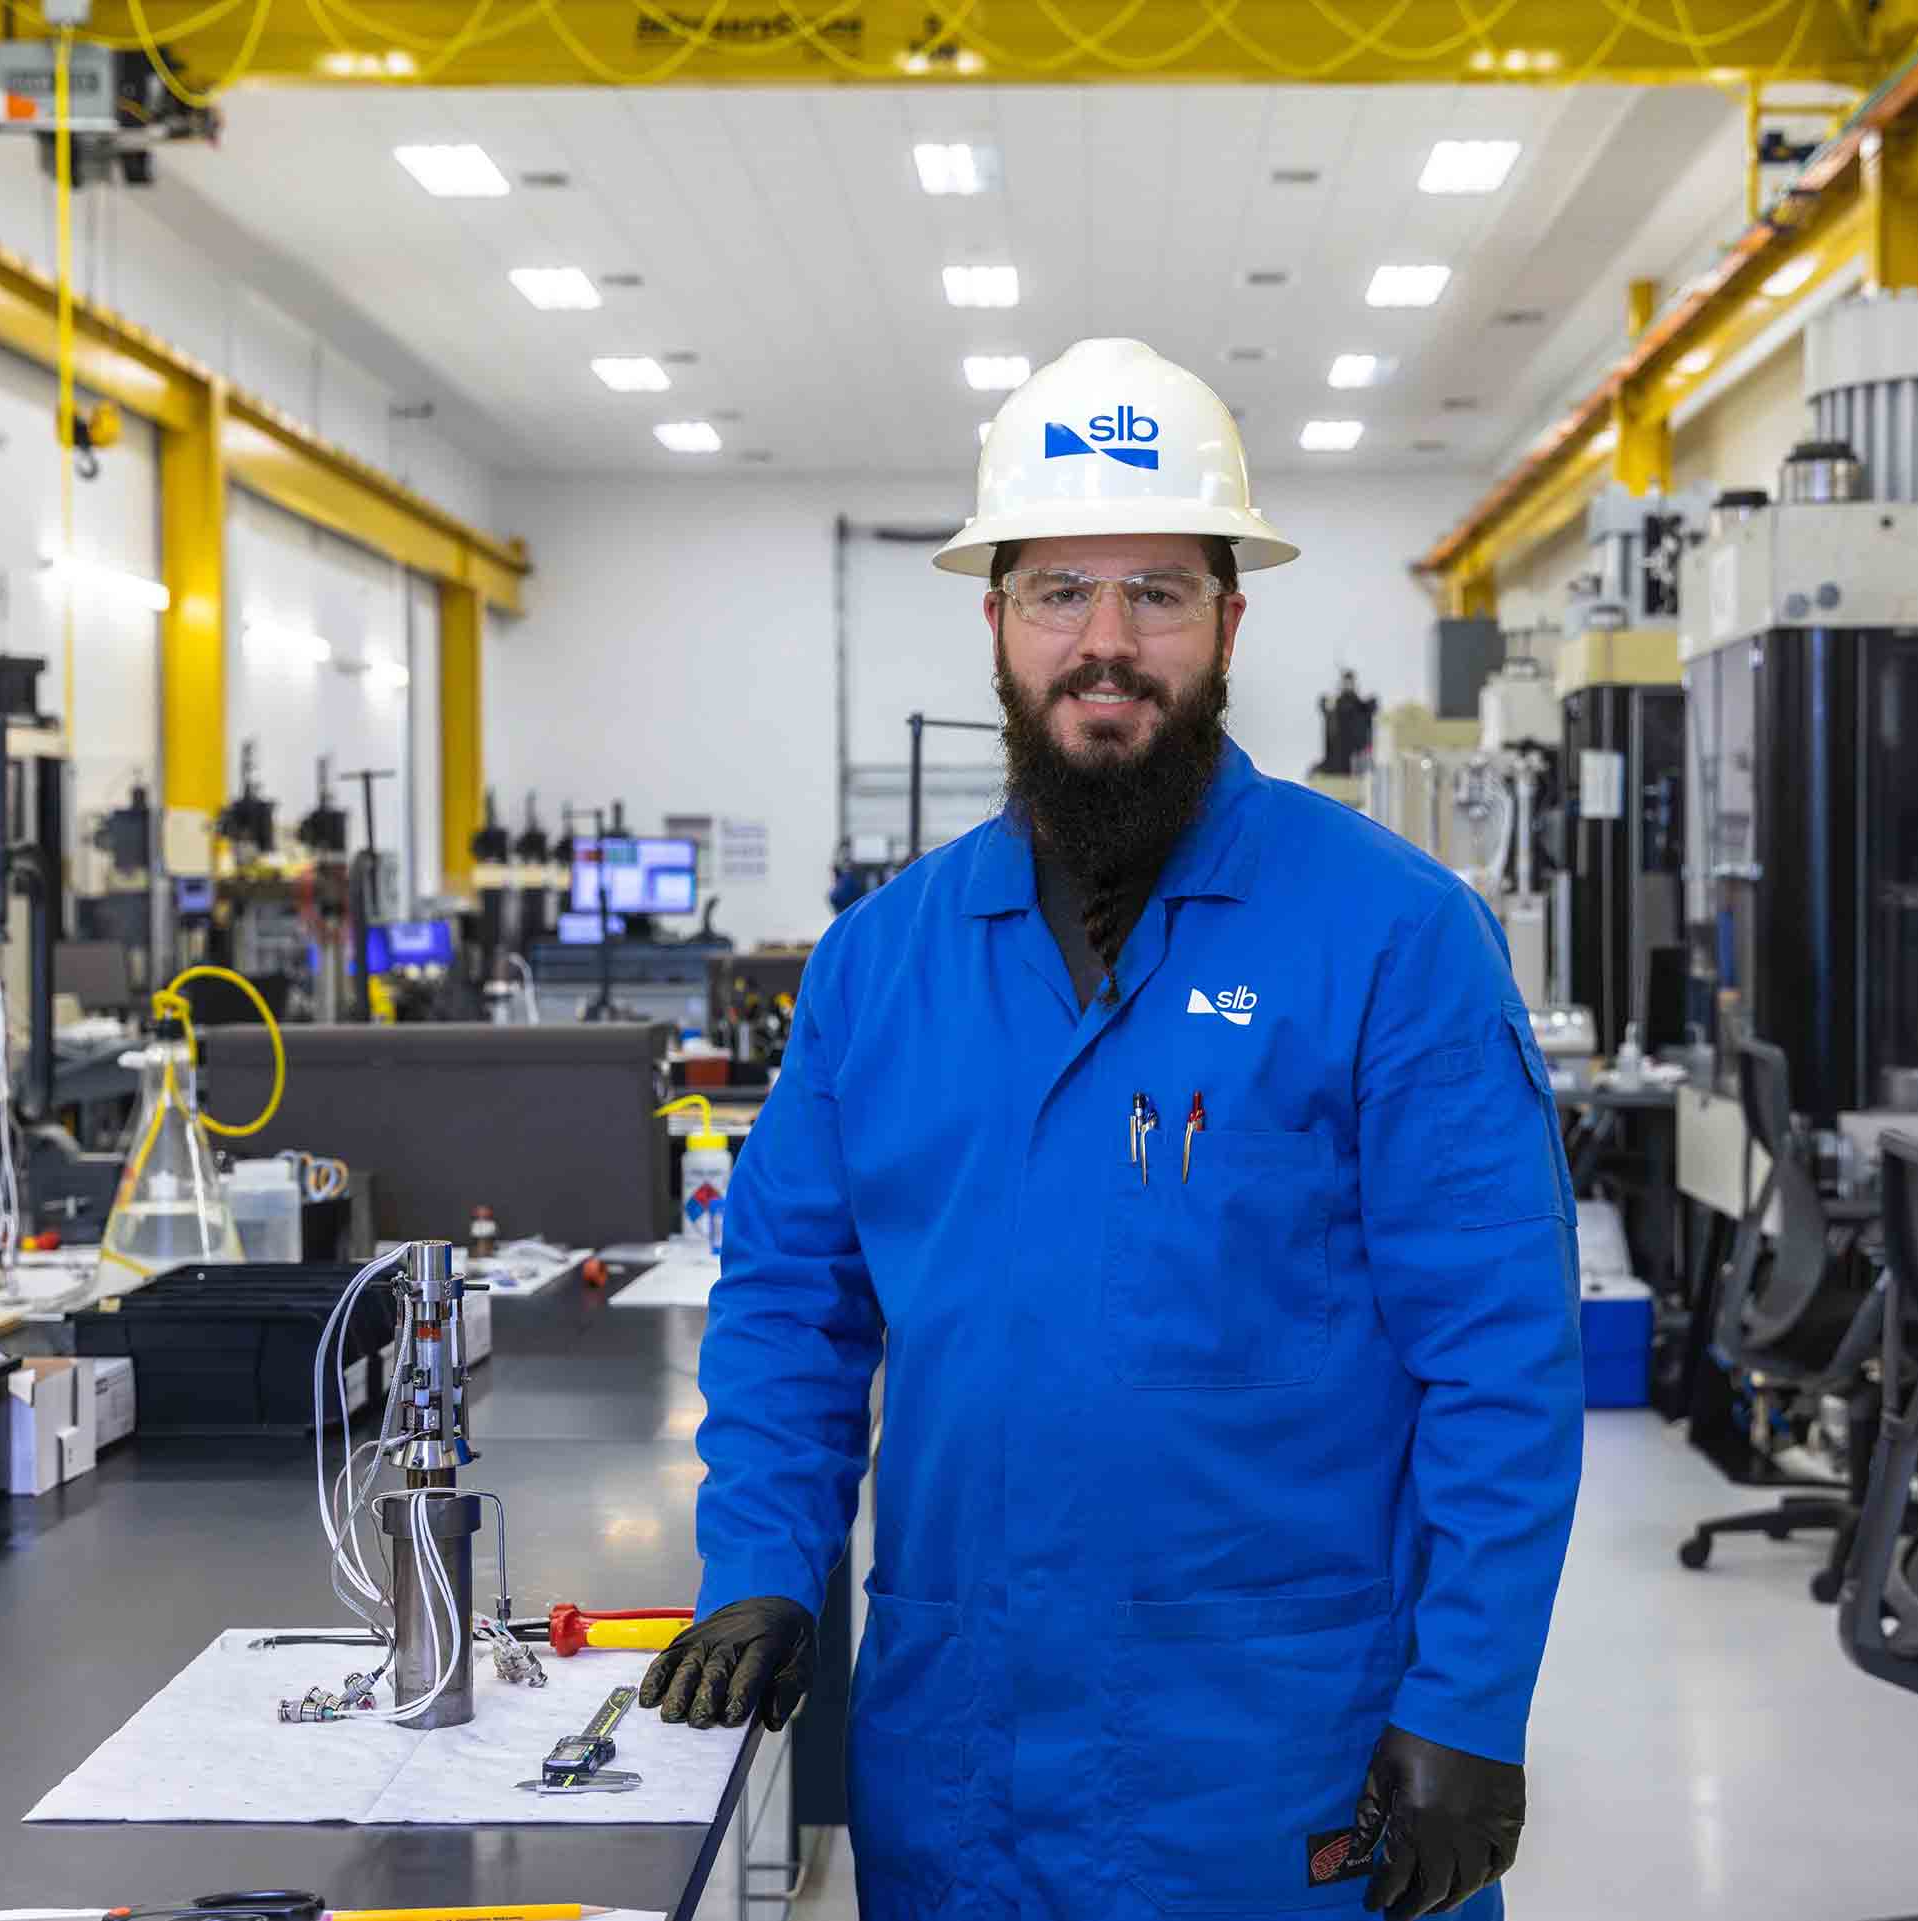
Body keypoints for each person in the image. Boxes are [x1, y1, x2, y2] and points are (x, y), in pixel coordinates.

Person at [638, 337, 1587, 1920]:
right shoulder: (881, 966)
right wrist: (759, 1565)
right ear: (995, 621)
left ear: (1230, 619)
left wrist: (1471, 1700)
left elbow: (1502, 1354)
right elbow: (791, 1308)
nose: (1106, 642)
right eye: (1059, 591)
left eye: (1156, 591)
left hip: (1282, 1768)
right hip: (963, 1767)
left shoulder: (1393, 938)